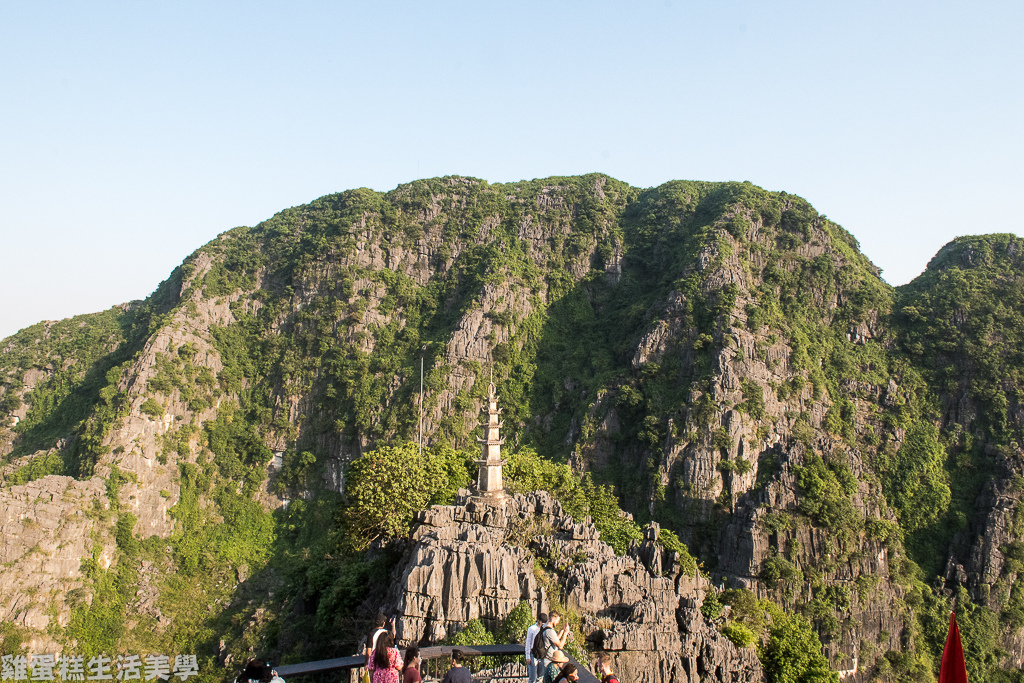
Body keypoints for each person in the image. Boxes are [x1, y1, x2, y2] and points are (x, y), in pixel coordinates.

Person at [525, 612, 546, 683]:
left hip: (542, 655)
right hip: (533, 654)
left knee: (540, 678)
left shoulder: (545, 629)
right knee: (533, 678)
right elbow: (528, 643)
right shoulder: (532, 629)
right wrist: (527, 656)